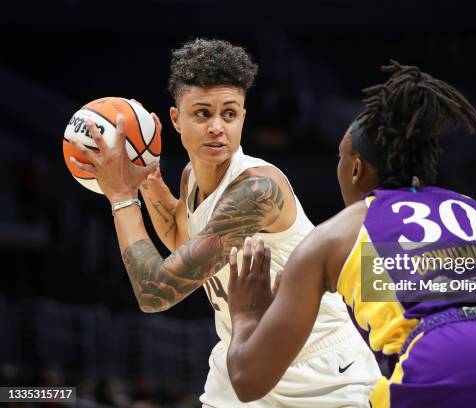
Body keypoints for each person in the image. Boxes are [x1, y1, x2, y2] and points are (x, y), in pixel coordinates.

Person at [226, 61, 476, 407]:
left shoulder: (331, 237)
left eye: (340, 159)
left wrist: (245, 316)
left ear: (355, 168)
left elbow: (249, 379)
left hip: (445, 357)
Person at [68, 38, 380, 407]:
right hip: (244, 356)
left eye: (229, 114)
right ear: (174, 120)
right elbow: (183, 241)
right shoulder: (190, 177)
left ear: (243, 117)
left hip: (319, 368)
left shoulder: (257, 190)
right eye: (202, 114)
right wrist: (147, 178)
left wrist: (122, 197)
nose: (217, 127)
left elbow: (155, 292)